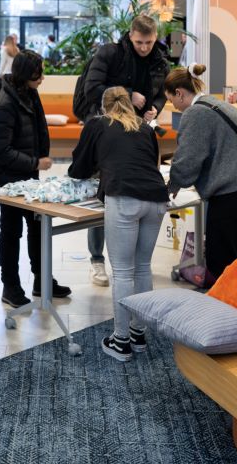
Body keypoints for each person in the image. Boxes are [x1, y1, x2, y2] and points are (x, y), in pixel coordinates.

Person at [68, 87, 168, 363]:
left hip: (125, 197)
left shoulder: (98, 125)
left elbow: (78, 168)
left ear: (104, 107)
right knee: (143, 267)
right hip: (157, 198)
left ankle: (120, 341)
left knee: (123, 273)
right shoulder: (145, 128)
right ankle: (138, 333)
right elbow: (150, 163)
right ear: (128, 104)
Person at [76, 14, 170, 287]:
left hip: (139, 130)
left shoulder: (159, 59)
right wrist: (129, 94)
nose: (144, 47)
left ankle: (134, 264)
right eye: (140, 42)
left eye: (149, 42)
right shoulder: (110, 53)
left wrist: (156, 107)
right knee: (101, 193)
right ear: (130, 35)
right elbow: (92, 89)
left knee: (132, 194)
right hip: (106, 129)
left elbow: (161, 92)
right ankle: (96, 260)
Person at [0, 50, 70, 307]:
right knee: (11, 232)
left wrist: (39, 159)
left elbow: (38, 127)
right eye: (38, 73)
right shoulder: (2, 106)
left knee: (37, 227)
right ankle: (10, 287)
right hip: (8, 182)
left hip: (29, 179)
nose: (42, 77)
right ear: (24, 75)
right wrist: (35, 162)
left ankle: (41, 280)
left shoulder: (28, 93)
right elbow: (1, 152)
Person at [167, 64, 237, 281]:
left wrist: (172, 183)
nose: (173, 106)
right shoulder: (216, 104)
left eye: (171, 99)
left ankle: (224, 312)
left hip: (233, 196)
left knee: (220, 268)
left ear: (179, 93)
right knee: (236, 263)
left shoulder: (195, 113)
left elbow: (187, 161)